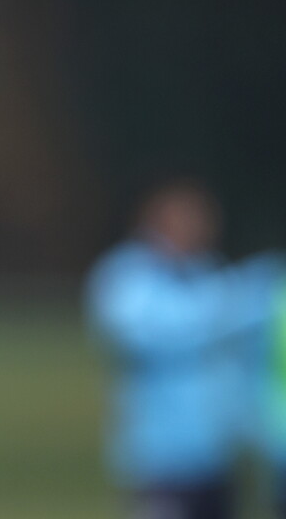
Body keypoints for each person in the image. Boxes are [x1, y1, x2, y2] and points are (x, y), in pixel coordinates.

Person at [85, 177, 258, 519]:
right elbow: (140, 336)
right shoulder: (125, 275)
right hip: (160, 457)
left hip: (218, 454)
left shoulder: (208, 271)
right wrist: (221, 316)